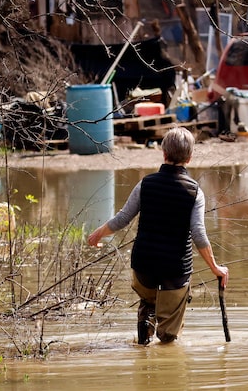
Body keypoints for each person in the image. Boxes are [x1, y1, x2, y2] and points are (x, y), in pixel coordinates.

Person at [87, 127, 229, 345]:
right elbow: (198, 234)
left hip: (144, 267)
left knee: (148, 302)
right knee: (169, 336)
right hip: (175, 270)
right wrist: (215, 268)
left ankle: (143, 343)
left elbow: (123, 218)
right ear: (190, 158)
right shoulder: (195, 192)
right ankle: (165, 354)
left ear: (163, 154)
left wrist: (98, 234)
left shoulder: (146, 184)